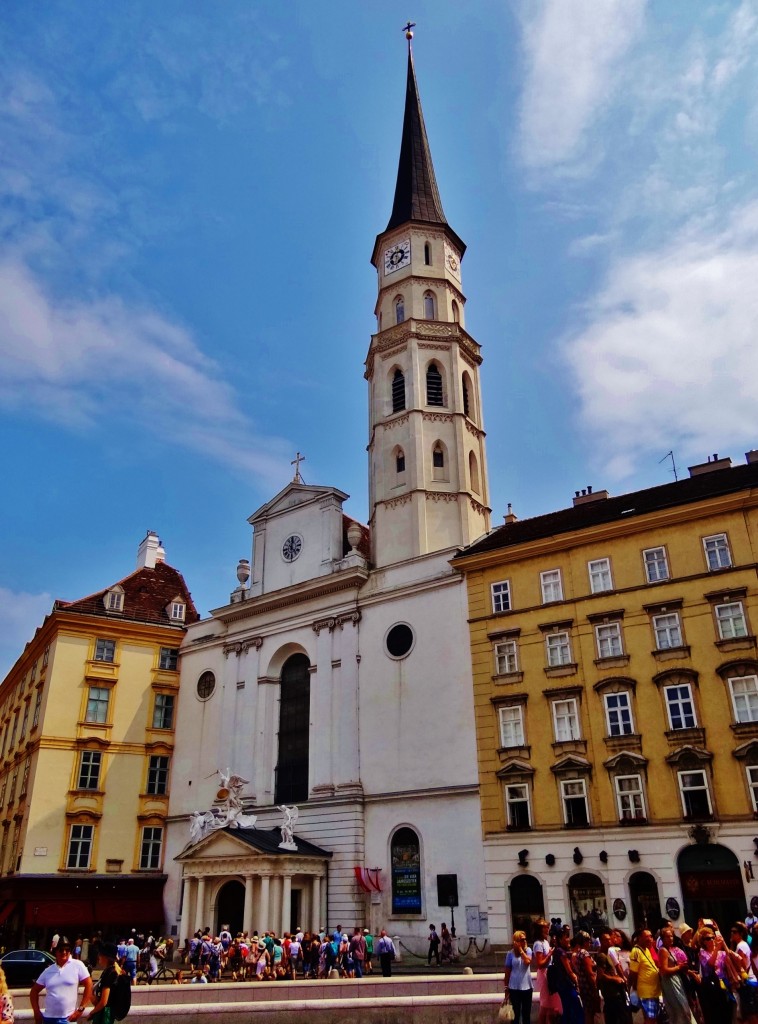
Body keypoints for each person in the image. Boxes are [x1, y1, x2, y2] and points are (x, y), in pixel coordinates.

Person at [31, 936, 93, 1024]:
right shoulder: (48, 971)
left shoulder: (78, 965)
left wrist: (81, 1009)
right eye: (61, 949)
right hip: (49, 1019)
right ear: (56, 952)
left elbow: (89, 985)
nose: (64, 952)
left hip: (68, 1019)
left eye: (67, 949)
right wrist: (36, 1012)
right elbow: (34, 991)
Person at [658, 927, 696, 1024]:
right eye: (667, 937)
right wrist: (679, 967)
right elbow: (664, 970)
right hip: (670, 982)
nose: (670, 939)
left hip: (676, 980)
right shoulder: (663, 950)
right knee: (680, 1008)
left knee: (684, 1008)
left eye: (671, 936)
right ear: (662, 939)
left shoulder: (670, 949)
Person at [696, 924, 733, 1024]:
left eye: (713, 937)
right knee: (715, 1015)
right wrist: (717, 948)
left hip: (723, 984)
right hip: (711, 987)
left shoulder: (721, 953)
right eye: (708, 938)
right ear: (703, 941)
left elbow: (729, 955)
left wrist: (721, 941)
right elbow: (710, 964)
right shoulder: (702, 953)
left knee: (727, 1012)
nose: (712, 940)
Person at [81, 942, 125, 1024]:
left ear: (106, 957)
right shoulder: (108, 971)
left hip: (105, 1014)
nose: (98, 957)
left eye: (100, 954)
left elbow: (104, 1001)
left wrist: (92, 1013)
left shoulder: (110, 973)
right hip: (103, 1012)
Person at [595, 927, 630, 1024]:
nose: (609, 941)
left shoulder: (609, 953)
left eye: (609, 939)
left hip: (616, 991)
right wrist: (615, 979)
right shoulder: (601, 956)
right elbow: (601, 975)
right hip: (611, 992)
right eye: (606, 940)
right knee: (620, 1017)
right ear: (601, 941)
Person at [532, 919, 561, 1024]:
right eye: (545, 927)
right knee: (545, 1004)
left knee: (551, 1005)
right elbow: (540, 963)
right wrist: (549, 954)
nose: (547, 929)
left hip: (550, 972)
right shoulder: (538, 944)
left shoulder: (545, 942)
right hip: (544, 973)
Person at [629, 929, 662, 1022]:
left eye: (651, 936)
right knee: (650, 1019)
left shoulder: (647, 949)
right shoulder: (636, 951)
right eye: (647, 937)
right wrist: (634, 986)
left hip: (654, 990)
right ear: (639, 938)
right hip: (646, 992)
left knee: (652, 1018)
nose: (650, 939)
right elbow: (633, 972)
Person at [553, 928, 583, 1024]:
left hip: (562, 985)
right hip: (567, 985)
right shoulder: (561, 952)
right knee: (576, 1008)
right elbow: (570, 971)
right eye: (566, 937)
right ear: (560, 939)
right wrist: (577, 982)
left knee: (568, 1009)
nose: (568, 939)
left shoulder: (559, 951)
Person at [502, 930, 533, 1024]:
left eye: (524, 939)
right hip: (514, 988)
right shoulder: (510, 954)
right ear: (515, 941)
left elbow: (527, 962)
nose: (523, 941)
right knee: (515, 1015)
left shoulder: (528, 951)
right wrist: (506, 988)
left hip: (527, 987)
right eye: (521, 940)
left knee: (526, 1015)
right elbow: (507, 972)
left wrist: (521, 950)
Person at [572, 931, 600, 1024]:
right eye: (588, 941)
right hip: (588, 987)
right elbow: (590, 973)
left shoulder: (579, 952)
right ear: (584, 942)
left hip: (583, 985)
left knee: (588, 1011)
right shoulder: (584, 954)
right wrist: (595, 988)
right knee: (590, 1012)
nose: (590, 943)